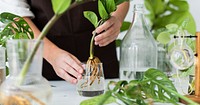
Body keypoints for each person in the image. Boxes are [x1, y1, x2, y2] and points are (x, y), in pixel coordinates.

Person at [0, 0, 130, 84]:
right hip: (44, 69)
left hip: (102, 66)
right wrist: (53, 54)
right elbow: (15, 15)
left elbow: (121, 1)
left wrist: (117, 20)